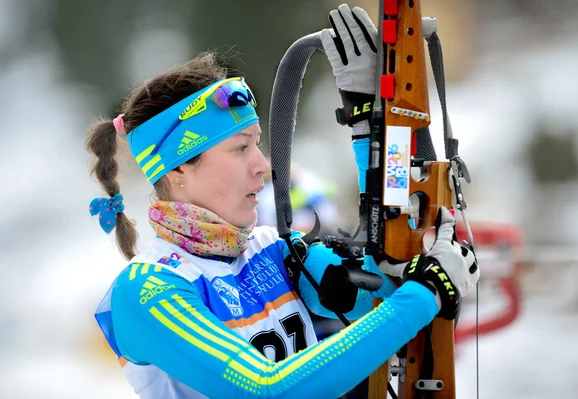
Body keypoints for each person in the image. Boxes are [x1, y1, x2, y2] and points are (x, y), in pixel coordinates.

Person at [87, 4, 479, 398]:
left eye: (257, 143)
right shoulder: (148, 290)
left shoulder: (271, 250)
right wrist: (426, 291)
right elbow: (268, 390)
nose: (262, 166)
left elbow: (388, 285)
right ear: (177, 171)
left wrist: (370, 125)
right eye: (241, 149)